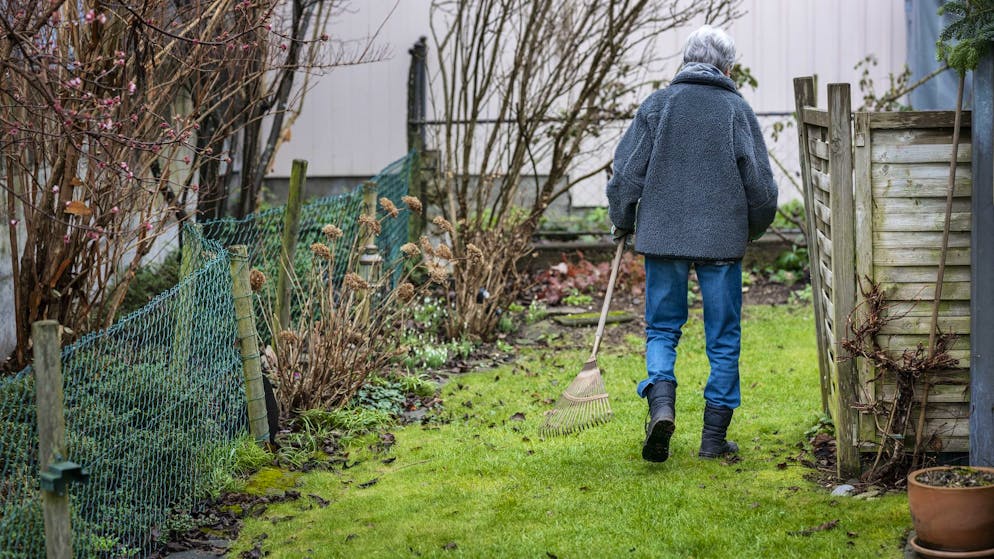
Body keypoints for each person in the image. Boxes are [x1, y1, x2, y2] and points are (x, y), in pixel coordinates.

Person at [606, 25, 778, 463]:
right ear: (727, 68)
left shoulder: (658, 105)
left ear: (685, 61)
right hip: (721, 241)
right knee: (723, 338)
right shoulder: (736, 110)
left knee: (662, 329)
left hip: (663, 237)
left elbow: (626, 174)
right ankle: (713, 440)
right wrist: (752, 228)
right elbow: (761, 188)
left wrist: (622, 217)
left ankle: (662, 406)